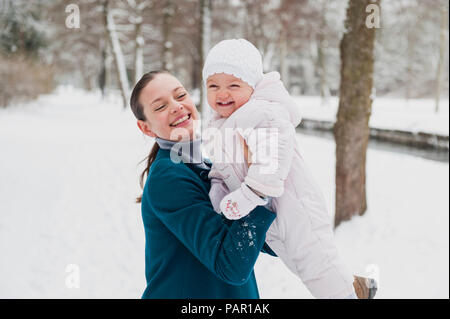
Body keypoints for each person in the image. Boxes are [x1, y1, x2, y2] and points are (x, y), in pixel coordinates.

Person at [203, 39, 376, 299]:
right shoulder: (221, 124)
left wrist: (249, 194)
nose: (222, 93)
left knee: (317, 268)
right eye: (213, 85)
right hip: (275, 214)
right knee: (303, 266)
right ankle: (358, 287)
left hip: (297, 208)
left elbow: (273, 156)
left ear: (252, 87)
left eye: (233, 85)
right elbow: (222, 168)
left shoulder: (260, 113)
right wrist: (218, 191)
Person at [130, 70, 277, 299]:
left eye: (180, 96)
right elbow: (230, 266)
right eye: (160, 107)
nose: (177, 106)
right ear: (146, 128)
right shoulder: (169, 178)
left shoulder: (206, 166)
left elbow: (257, 239)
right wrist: (257, 189)